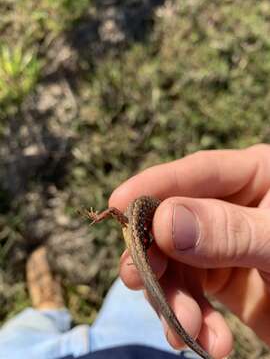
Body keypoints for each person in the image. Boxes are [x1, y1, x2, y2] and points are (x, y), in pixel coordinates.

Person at [1, 144, 270, 359]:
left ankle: (48, 311)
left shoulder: (141, 217)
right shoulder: (143, 215)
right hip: (144, 342)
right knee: (141, 292)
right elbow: (121, 214)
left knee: (13, 343)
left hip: (140, 243)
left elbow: (119, 213)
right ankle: (48, 310)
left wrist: (102, 217)